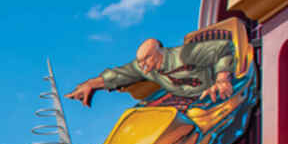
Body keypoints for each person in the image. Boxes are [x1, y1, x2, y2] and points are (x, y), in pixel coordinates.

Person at [68, 36, 238, 108]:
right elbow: (119, 74)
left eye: (146, 59)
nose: (142, 65)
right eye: (140, 61)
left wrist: (222, 79)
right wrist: (90, 84)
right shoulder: (147, 69)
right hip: (188, 103)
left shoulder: (185, 54)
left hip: (215, 95)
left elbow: (222, 48)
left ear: (160, 53)